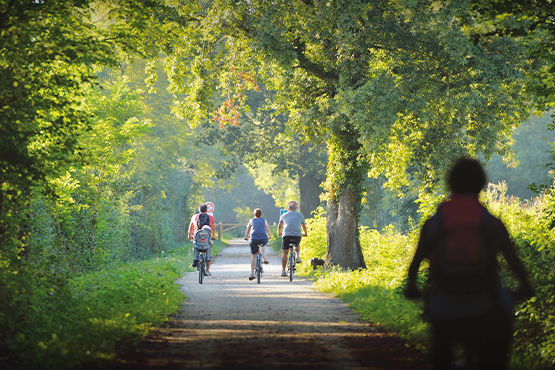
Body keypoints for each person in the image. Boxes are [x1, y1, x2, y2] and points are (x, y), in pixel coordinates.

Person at [405, 158, 534, 370]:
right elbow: (515, 263)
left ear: (450, 184)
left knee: (440, 349)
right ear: (481, 185)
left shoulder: (434, 223)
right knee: (499, 343)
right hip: (487, 307)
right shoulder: (492, 223)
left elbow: (415, 263)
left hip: (443, 307)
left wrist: (412, 287)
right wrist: (525, 285)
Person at [278, 201, 307, 277]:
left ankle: (283, 271)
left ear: (288, 208)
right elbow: (303, 226)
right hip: (297, 235)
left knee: (285, 252)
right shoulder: (300, 215)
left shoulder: (284, 215)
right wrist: (305, 233)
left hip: (286, 235)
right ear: (295, 208)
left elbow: (280, 225)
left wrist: (279, 232)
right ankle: (297, 256)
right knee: (296, 245)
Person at [188, 204, 216, 276]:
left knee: (195, 245)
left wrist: (189, 236)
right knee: (208, 249)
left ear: (199, 210)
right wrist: (213, 236)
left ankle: (195, 259)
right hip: (207, 238)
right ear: (207, 210)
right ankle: (207, 270)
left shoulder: (194, 217)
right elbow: (213, 228)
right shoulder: (211, 217)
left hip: (197, 237)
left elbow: (191, 228)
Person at [244, 208, 272, 281]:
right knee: (263, 244)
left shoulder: (251, 220)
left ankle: (252, 274)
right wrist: (269, 236)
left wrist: (246, 237)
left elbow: (248, 230)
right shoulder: (264, 220)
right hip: (263, 238)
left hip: (253, 239)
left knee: (253, 255)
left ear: (254, 214)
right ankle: (264, 258)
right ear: (261, 214)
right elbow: (268, 229)